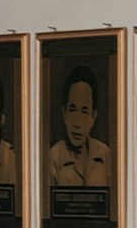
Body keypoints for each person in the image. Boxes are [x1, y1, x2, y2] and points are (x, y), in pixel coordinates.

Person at [47, 62, 112, 190]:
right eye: (72, 110)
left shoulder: (106, 155)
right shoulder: (53, 157)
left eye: (84, 111)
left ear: (94, 116)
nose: (77, 123)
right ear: (64, 113)